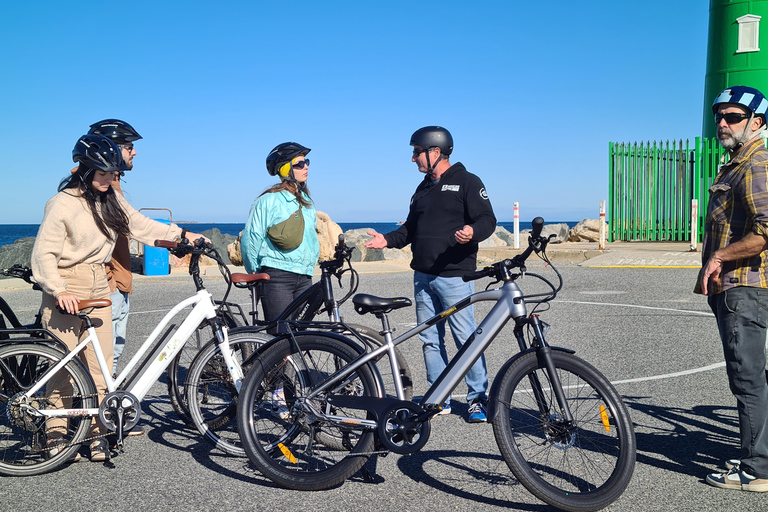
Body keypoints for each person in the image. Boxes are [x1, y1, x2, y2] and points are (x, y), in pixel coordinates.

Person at [32, 134, 206, 462]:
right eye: (103, 173)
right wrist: (59, 290)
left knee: (101, 372)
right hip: (66, 287)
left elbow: (141, 225)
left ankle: (98, 435)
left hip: (99, 284)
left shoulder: (110, 197)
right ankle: (56, 437)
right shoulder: (62, 204)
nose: (109, 179)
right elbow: (43, 254)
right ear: (84, 169)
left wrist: (183, 235)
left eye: (112, 173)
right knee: (63, 370)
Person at [365, 126, 496, 423]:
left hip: (454, 276)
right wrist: (387, 239)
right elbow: (410, 229)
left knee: (466, 338)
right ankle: (440, 398)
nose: (413, 158)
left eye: (416, 152)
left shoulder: (467, 181)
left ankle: (478, 399)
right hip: (423, 277)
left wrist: (473, 231)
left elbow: (487, 219)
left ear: (435, 152)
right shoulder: (422, 188)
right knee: (430, 340)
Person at [697, 85, 768, 492]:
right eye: (719, 116)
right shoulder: (737, 162)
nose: (723, 123)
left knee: (747, 378)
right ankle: (760, 454)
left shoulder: (756, 162)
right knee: (754, 376)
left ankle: (758, 470)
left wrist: (720, 257)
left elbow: (766, 229)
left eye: (734, 116)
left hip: (745, 286)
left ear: (756, 122)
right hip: (738, 288)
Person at [85, 119, 141, 377]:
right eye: (129, 146)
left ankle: (105, 405)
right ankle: (99, 412)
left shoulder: (111, 183)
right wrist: (109, 282)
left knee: (111, 356)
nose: (134, 152)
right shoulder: (94, 185)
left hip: (119, 279)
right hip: (109, 282)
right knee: (105, 357)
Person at [241, 142, 319, 325]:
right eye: (299, 164)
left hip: (305, 275)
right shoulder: (268, 201)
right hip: (278, 276)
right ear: (285, 169)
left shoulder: (307, 201)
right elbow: (252, 238)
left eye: (306, 162)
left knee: (300, 335)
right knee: (279, 336)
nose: (306, 166)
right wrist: (254, 274)